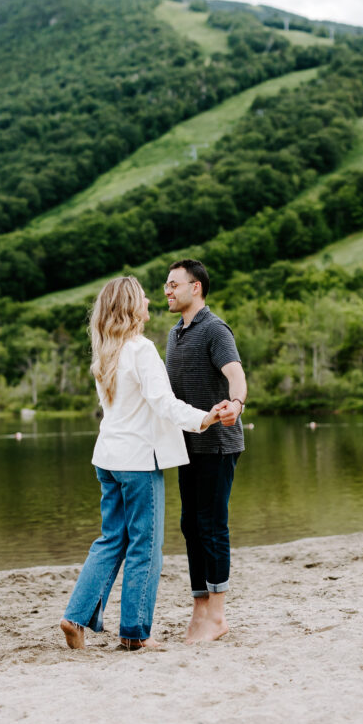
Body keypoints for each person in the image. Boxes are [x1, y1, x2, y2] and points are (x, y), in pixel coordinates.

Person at [60, 275, 221, 651]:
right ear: (132, 306)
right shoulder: (141, 349)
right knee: (145, 546)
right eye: (144, 297)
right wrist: (205, 418)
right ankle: (134, 634)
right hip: (137, 462)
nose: (150, 300)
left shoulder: (106, 350)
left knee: (111, 538)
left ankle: (76, 616)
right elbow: (164, 404)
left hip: (108, 458)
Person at [164, 258, 247, 643]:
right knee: (190, 526)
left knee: (212, 527)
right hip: (186, 445)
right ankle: (200, 609)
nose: (167, 290)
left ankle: (218, 616)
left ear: (195, 287)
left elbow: (236, 374)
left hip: (217, 444)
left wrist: (237, 404)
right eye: (166, 284)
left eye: (173, 284)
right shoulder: (173, 334)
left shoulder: (215, 329)